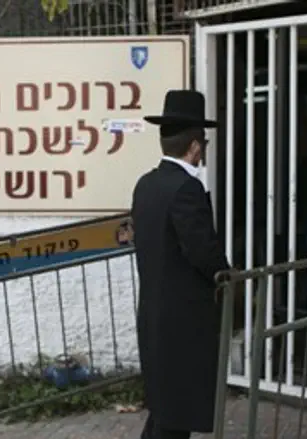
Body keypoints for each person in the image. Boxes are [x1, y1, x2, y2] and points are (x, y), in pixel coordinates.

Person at [132, 90, 231, 439]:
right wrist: (228, 275)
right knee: (176, 413)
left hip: (155, 312)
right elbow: (202, 250)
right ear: (194, 147)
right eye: (202, 143)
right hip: (184, 319)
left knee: (166, 409)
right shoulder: (185, 188)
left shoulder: (146, 184)